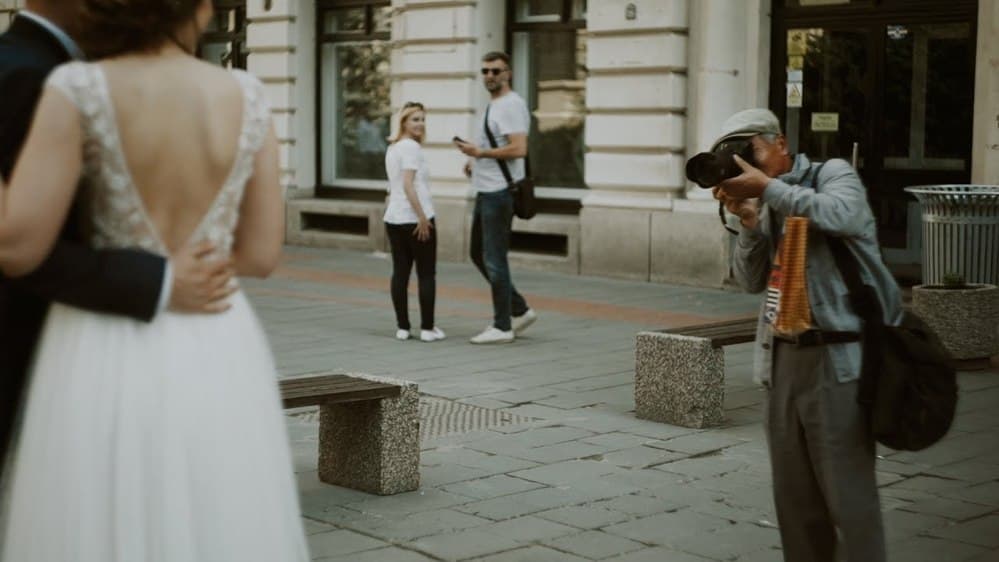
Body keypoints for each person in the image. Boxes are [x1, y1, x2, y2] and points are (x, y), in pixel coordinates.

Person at [0, 0, 309, 559]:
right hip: (216, 331)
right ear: (200, 8)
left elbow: (17, 247)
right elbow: (262, 254)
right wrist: (191, 265)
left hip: (100, 338)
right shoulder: (247, 94)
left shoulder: (79, 87)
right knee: (212, 515)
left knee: (100, 517)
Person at [0, 0, 237, 488]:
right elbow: (18, 242)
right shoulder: (37, 74)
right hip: (26, 335)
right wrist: (157, 278)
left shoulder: (62, 71)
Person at [712, 108, 902, 562]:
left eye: (749, 151)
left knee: (848, 499)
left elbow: (843, 215)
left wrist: (769, 190)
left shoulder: (829, 174)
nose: (746, 164)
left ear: (779, 143)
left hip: (839, 358)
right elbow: (750, 281)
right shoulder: (768, 200)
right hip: (782, 359)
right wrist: (749, 223)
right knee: (795, 503)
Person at [454, 51, 537, 344]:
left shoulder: (512, 105)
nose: (490, 76)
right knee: (479, 253)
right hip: (486, 189)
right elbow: (496, 143)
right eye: (485, 71)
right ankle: (519, 309)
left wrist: (481, 153)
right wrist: (474, 160)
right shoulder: (494, 104)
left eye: (496, 71)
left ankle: (502, 326)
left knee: (494, 258)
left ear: (508, 73)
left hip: (499, 194)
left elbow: (519, 149)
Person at [384, 101, 445, 342]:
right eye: (415, 119)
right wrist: (421, 217)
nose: (420, 124)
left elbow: (394, 185)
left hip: (394, 218)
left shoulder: (394, 147)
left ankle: (403, 327)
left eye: (422, 119)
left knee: (400, 272)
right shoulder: (411, 148)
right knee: (426, 273)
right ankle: (428, 329)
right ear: (404, 123)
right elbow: (408, 184)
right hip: (415, 218)